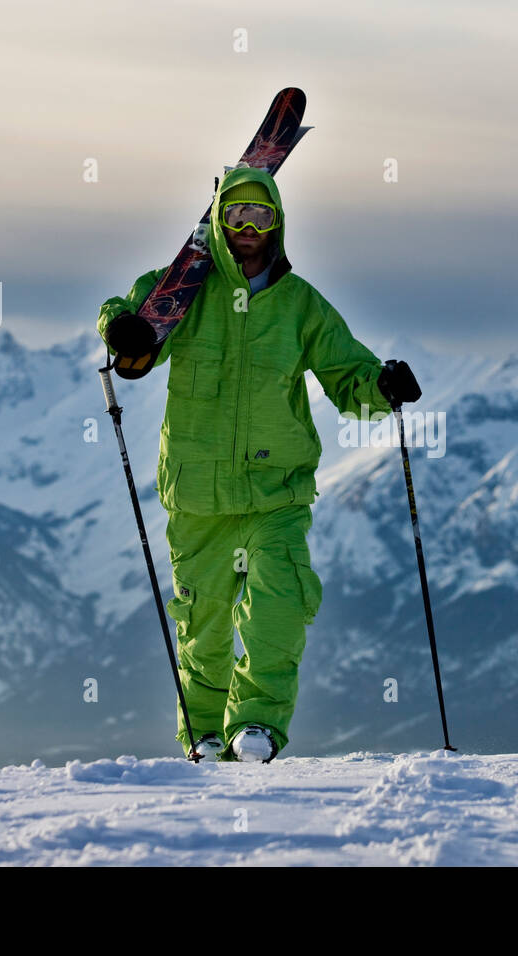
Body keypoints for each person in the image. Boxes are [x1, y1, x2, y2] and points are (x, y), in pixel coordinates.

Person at [96, 166, 420, 763]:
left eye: (260, 216)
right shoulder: (183, 291)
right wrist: (122, 327)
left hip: (277, 492)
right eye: (236, 215)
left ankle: (258, 728)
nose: (248, 227)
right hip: (197, 492)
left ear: (278, 224)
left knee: (279, 609)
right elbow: (129, 311)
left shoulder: (300, 306)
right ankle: (204, 733)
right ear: (218, 223)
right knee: (204, 624)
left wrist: (383, 386)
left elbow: (349, 375)